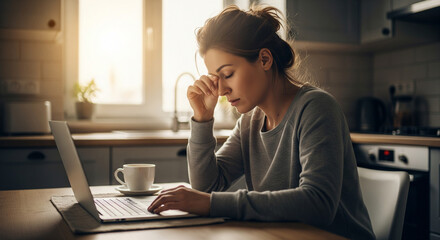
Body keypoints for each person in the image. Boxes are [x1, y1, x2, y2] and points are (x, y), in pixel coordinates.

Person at [148, 4, 375, 240]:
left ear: (264, 59)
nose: (222, 89)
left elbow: (318, 204)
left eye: (228, 74)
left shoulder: (316, 108)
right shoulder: (249, 122)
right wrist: (203, 119)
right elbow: (207, 187)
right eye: (217, 78)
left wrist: (212, 204)